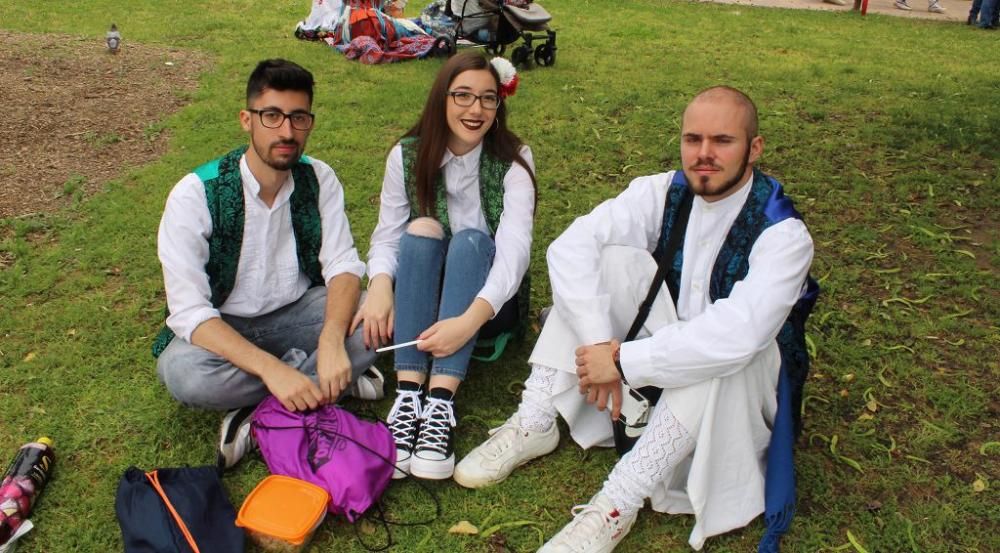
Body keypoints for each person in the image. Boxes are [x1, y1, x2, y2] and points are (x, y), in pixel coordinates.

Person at [454, 86, 818, 552]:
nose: (703, 155)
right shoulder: (663, 191)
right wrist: (598, 345)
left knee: (726, 354)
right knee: (603, 262)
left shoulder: (783, 232)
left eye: (722, 141)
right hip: (655, 352)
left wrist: (623, 361)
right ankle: (536, 421)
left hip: (741, 385)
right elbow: (569, 246)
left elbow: (738, 335)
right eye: (693, 139)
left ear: (755, 148)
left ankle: (618, 500)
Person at [153, 59, 381, 469]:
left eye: (298, 118)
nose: (287, 132)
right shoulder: (196, 195)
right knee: (183, 374)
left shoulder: (319, 178)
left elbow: (343, 265)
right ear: (247, 119)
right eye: (272, 116)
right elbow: (190, 311)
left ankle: (254, 413)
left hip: (297, 312)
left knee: (372, 320)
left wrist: (331, 340)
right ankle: (322, 382)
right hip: (224, 325)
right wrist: (274, 370)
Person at [353, 52, 535, 480]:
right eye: (463, 96)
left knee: (472, 241)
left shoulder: (514, 159)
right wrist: (380, 286)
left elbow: (514, 253)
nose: (476, 110)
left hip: (485, 305)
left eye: (488, 99)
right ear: (442, 98)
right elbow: (387, 233)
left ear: (498, 106)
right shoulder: (407, 154)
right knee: (419, 230)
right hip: (423, 291)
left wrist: (469, 321)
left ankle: (440, 401)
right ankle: (409, 394)